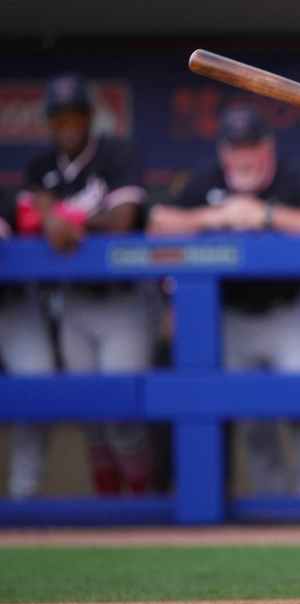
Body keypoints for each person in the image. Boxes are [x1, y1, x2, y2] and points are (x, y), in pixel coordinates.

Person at [148, 106, 300, 495]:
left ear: (267, 147)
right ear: (223, 151)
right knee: (252, 417)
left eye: (251, 146)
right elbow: (158, 223)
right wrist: (212, 217)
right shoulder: (208, 180)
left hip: (291, 311)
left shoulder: (292, 176)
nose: (243, 157)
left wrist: (267, 215)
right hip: (233, 315)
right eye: (235, 148)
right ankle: (271, 505)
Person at [18, 74, 153, 495]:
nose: (68, 124)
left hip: (123, 302)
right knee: (91, 420)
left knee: (121, 417)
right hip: (74, 302)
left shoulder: (116, 154)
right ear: (49, 123)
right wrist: (45, 215)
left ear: (90, 117)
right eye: (59, 117)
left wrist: (65, 219)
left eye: (75, 114)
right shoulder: (41, 167)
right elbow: (24, 219)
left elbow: (124, 220)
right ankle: (108, 513)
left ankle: (141, 504)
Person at [0, 188, 57, 499]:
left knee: (36, 388)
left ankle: (23, 495)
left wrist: (49, 215)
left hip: (13, 305)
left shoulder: (13, 200)